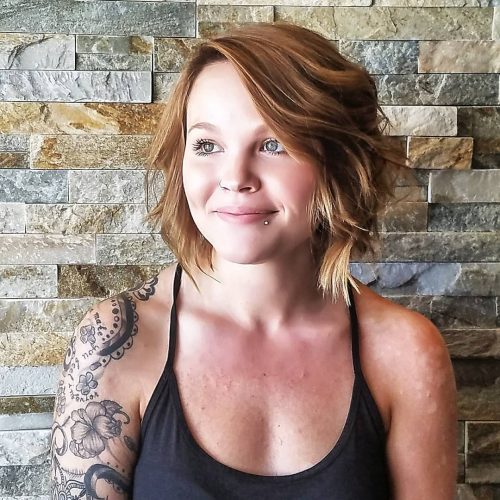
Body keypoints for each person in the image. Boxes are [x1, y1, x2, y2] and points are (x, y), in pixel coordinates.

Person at [50, 22, 458, 499]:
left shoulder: (406, 353)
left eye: (272, 144)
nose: (235, 177)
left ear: (338, 162)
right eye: (207, 145)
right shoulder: (117, 341)